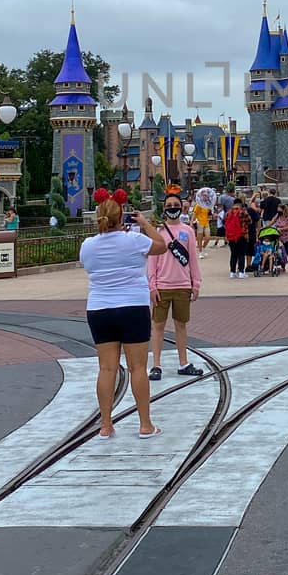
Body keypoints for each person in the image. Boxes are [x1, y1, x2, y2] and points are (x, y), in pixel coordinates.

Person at [78, 188, 166, 439]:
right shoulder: (134, 240)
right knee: (138, 367)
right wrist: (145, 223)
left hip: (99, 309)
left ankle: (106, 425)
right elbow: (161, 247)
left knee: (107, 369)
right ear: (122, 216)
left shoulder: (88, 246)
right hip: (132, 306)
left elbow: (88, 266)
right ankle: (145, 424)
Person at [148, 195, 205, 382]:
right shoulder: (158, 232)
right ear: (163, 208)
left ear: (182, 207)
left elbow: (193, 260)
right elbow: (152, 261)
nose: (173, 208)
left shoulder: (187, 231)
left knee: (181, 325)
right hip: (162, 286)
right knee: (158, 326)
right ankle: (156, 365)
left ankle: (183, 363)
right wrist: (152, 286)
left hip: (182, 285)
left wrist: (196, 283)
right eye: (169, 205)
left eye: (176, 205)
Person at [224, 198, 248, 279]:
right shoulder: (243, 212)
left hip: (231, 236)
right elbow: (250, 221)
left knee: (233, 254)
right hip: (242, 235)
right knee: (241, 254)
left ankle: (232, 272)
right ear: (241, 204)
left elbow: (225, 223)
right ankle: (241, 272)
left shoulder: (228, 213)